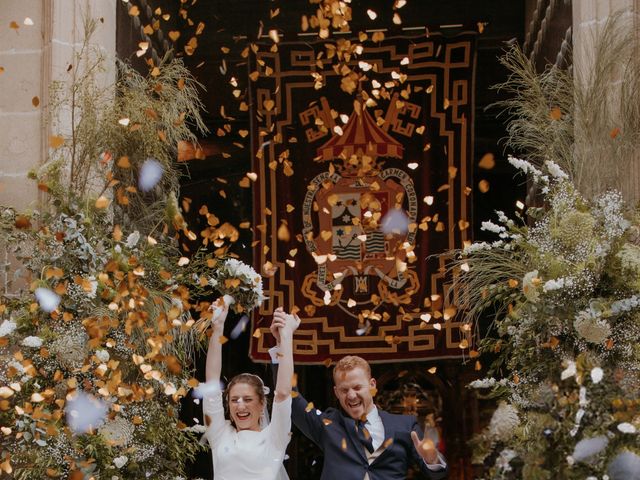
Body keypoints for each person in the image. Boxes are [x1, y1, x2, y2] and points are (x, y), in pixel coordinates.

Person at [270, 315, 448, 480]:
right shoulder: (327, 425)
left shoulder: (405, 425)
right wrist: (282, 342)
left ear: (372, 385)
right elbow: (289, 396)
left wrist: (432, 459)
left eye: (357, 387)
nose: (351, 395)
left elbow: (437, 475)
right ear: (336, 392)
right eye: (344, 390)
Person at [203, 298, 299, 480]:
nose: (240, 406)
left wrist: (286, 337)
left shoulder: (274, 437)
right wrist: (218, 328)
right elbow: (212, 384)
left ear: (262, 403)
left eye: (248, 400)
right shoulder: (219, 433)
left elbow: (283, 393)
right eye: (234, 400)